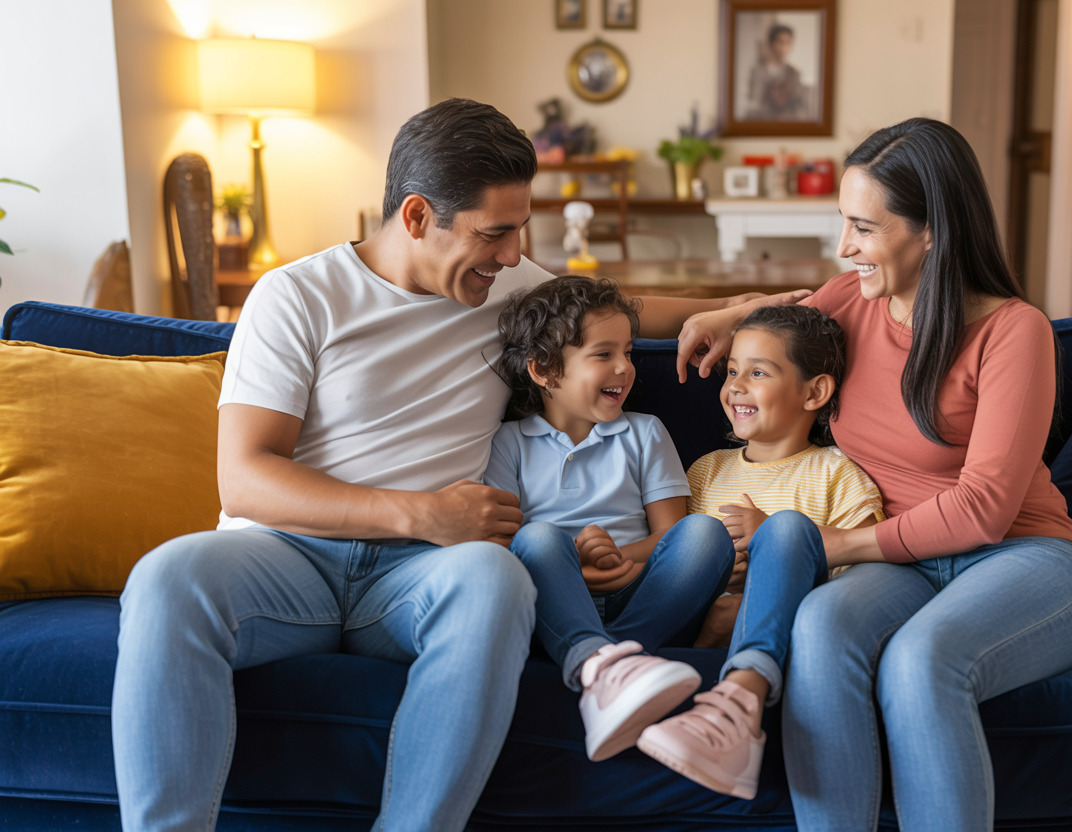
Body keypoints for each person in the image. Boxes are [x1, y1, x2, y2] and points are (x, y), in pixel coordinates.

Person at [110, 96, 806, 832]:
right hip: (285, 558)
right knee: (166, 576)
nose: (511, 256)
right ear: (416, 217)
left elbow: (619, 309)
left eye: (519, 234)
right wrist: (418, 511)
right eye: (494, 234)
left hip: (422, 576)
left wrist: (740, 308)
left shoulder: (505, 291)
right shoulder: (297, 296)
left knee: (496, 576)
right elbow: (246, 476)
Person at [674, 117, 1072, 831]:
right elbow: (788, 316)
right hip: (907, 562)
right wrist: (725, 312)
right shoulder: (851, 301)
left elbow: (984, 510)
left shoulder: (1012, 331)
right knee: (818, 627)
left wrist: (827, 543)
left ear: (931, 230)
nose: (846, 248)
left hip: (1023, 558)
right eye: (844, 223)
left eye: (863, 229)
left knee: (920, 660)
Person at [635, 304, 883, 800]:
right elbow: (673, 557)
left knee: (786, 536)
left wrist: (773, 553)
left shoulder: (836, 474)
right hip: (698, 628)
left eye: (758, 372)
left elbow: (867, 586)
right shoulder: (705, 471)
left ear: (815, 392)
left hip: (787, 635)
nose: (736, 386)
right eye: (731, 372)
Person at [484, 275, 736, 763]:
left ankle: (604, 662)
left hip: (641, 589)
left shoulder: (644, 433)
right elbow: (504, 541)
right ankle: (602, 659)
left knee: (705, 533)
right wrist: (575, 558)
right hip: (554, 592)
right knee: (536, 539)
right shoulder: (508, 443)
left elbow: (670, 535)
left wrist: (619, 557)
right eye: (603, 354)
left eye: (628, 350)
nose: (625, 367)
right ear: (544, 370)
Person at [744, 23, 810, 121]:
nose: (783, 48)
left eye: (788, 43)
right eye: (780, 42)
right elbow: (753, 102)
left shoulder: (794, 74)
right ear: (771, 44)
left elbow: (801, 105)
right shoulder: (758, 72)